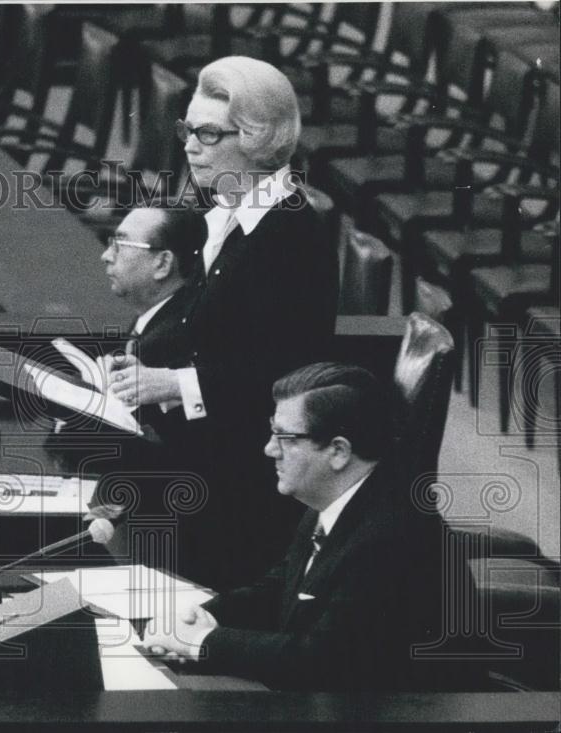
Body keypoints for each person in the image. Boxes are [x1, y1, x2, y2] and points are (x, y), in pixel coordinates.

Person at [109, 56, 339, 589]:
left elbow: (288, 373)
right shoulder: (231, 217)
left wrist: (174, 383)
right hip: (210, 456)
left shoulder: (289, 238)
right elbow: (211, 330)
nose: (190, 145)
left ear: (257, 139)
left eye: (208, 134)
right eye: (188, 130)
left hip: (240, 487)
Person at [141, 363, 482, 692]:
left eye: (285, 438)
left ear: (337, 451)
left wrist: (202, 641)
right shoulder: (335, 497)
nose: (269, 449)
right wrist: (199, 615)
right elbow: (281, 588)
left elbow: (322, 661)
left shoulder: (390, 537)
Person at [100, 206, 204, 442]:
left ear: (163, 263)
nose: (106, 255)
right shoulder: (153, 320)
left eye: (121, 245)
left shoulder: (170, 342)